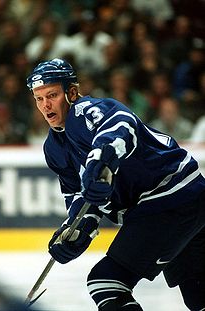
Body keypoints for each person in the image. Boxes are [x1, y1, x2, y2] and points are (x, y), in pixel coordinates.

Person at [26, 58, 205, 311]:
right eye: (39, 98)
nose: (45, 105)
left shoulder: (85, 111)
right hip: (188, 198)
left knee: (106, 283)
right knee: (198, 293)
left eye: (52, 95)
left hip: (167, 199)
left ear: (72, 92)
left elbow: (121, 125)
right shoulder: (54, 148)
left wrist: (103, 160)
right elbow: (80, 194)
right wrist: (76, 230)